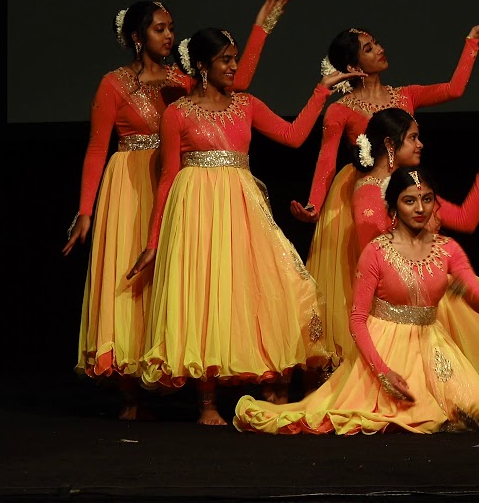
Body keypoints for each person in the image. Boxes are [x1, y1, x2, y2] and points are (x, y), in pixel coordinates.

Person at [61, 0, 287, 419]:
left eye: (171, 29)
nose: (168, 36)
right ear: (136, 36)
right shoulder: (113, 84)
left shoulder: (183, 81)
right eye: (159, 28)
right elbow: (95, 150)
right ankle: (130, 394)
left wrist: (261, 29)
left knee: (181, 283)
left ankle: (172, 370)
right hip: (130, 186)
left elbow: (236, 87)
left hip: (179, 187)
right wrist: (86, 210)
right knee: (131, 282)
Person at [125, 26, 363, 425]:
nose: (234, 66)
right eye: (226, 59)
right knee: (205, 295)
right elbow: (166, 178)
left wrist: (320, 92)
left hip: (241, 207)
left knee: (269, 285)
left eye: (235, 58)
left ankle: (273, 379)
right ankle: (206, 404)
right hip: (196, 210)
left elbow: (293, 135)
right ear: (202, 66)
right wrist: (153, 242)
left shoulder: (246, 105)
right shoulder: (178, 113)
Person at [288, 23, 479, 370]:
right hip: (362, 189)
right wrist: (314, 206)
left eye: (377, 42)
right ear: (352, 66)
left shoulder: (404, 96)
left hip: (402, 183)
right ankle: (367, 358)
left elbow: (454, 89)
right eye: (368, 48)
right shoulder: (341, 110)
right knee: (363, 273)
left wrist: (472, 43)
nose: (379, 49)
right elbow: (326, 160)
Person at [233, 167, 479, 435]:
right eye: (410, 201)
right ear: (393, 207)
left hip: (433, 344)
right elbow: (357, 320)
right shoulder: (376, 251)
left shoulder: (447, 249)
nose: (420, 208)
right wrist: (383, 372)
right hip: (386, 347)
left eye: (427, 199)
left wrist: (465, 289)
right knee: (423, 414)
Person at [347, 108, 479, 419]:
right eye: (413, 138)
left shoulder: (415, 189)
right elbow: (377, 264)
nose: (421, 144)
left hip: (436, 289)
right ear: (391, 146)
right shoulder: (368, 195)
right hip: (403, 308)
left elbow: (465, 218)